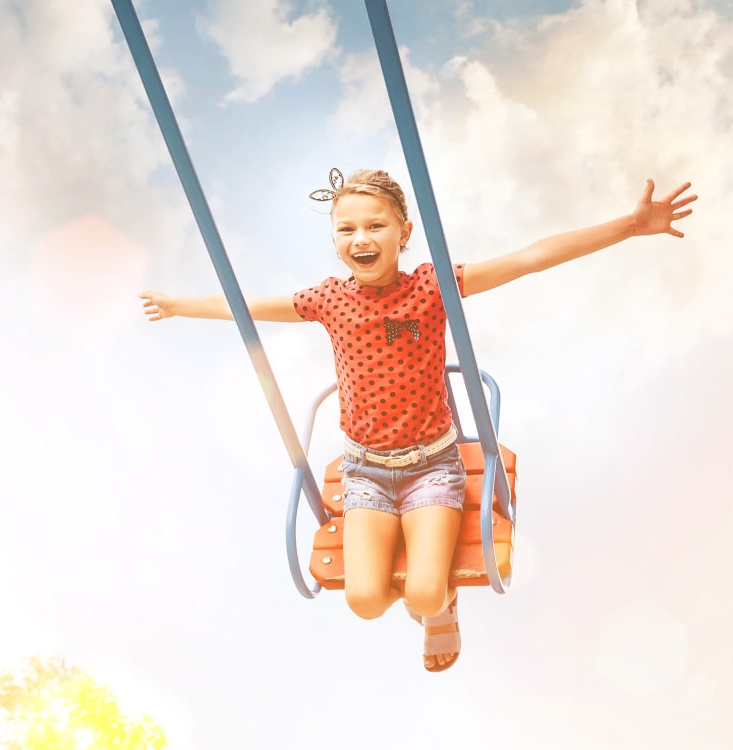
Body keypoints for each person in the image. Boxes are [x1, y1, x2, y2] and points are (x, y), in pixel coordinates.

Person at [139, 168, 696, 672]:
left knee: (427, 594)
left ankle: (440, 610)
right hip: (365, 473)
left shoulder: (431, 288)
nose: (361, 239)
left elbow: (529, 258)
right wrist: (178, 304)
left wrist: (629, 225)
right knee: (364, 602)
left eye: (376, 226)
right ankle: (416, 574)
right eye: (347, 230)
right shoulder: (329, 300)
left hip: (433, 467)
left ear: (403, 233)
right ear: (335, 241)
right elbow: (246, 305)